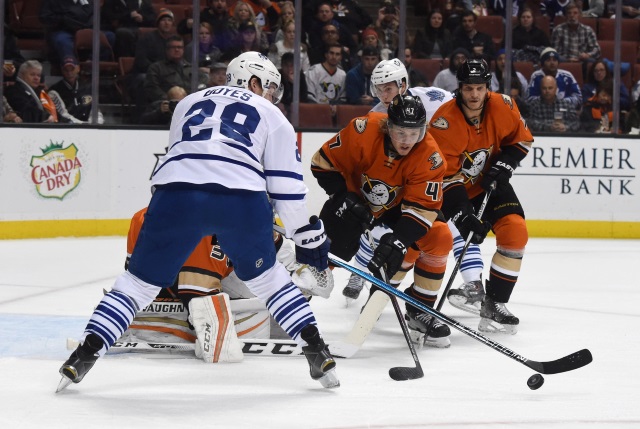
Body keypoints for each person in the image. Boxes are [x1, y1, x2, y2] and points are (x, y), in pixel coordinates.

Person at [57, 51, 339, 392]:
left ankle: (84, 357)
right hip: (241, 200)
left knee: (136, 284)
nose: (272, 96)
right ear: (253, 82)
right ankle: (316, 352)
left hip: (176, 196)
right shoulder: (272, 115)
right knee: (270, 281)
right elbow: (287, 189)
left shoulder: (187, 103)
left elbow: (186, 159)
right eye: (270, 87)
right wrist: (308, 238)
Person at [341, 58, 485, 318]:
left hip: (439, 176)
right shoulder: (375, 117)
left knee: (458, 225)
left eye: (389, 87)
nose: (384, 95)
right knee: (384, 233)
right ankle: (361, 275)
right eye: (378, 89)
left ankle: (473, 282)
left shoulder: (433, 98)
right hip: (400, 186)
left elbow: (464, 118)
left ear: (404, 84)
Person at [311, 93, 453, 347]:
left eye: (414, 133)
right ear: (388, 126)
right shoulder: (362, 130)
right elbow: (322, 164)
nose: (407, 141)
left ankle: (420, 309)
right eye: (400, 132)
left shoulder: (430, 157)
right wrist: (343, 197)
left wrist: (398, 241)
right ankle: (288, 310)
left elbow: (421, 209)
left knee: (440, 236)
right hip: (353, 199)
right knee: (322, 258)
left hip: (397, 207)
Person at [428, 59, 534, 334]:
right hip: (455, 190)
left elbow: (520, 140)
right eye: (468, 89)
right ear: (459, 89)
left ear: (488, 87)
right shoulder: (443, 122)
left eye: (479, 88)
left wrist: (505, 164)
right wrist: (463, 214)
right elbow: (443, 176)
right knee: (439, 239)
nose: (474, 95)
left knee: (516, 231)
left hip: (491, 183)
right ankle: (416, 302)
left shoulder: (503, 105)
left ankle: (494, 304)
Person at [39, 0, 115, 67]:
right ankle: (71, 68)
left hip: (86, 31)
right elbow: (44, 17)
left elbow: (94, 18)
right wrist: (64, 19)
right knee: (62, 40)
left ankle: (91, 64)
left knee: (109, 36)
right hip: (65, 31)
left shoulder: (89, 1)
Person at [143, 36, 209, 107]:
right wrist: (171, 100)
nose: (177, 50)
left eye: (180, 47)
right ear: (167, 50)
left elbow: (202, 84)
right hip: (167, 105)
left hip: (191, 104)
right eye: (173, 47)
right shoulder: (156, 68)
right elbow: (152, 89)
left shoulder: (192, 68)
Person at [49, 57, 104, 124]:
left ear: (78, 69)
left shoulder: (87, 88)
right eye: (66, 70)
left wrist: (96, 123)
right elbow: (63, 115)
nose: (69, 73)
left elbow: (96, 111)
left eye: (72, 69)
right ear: (62, 70)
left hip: (88, 129)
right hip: (67, 129)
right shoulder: (55, 90)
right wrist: (82, 124)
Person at [551, 2, 600, 75]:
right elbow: (554, 51)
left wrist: (588, 55)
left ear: (580, 15)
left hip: (583, 61)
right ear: (566, 16)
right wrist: (568, 59)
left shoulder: (588, 30)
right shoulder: (558, 30)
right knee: (555, 59)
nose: (572, 16)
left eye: (575, 13)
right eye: (569, 13)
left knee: (593, 61)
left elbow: (597, 49)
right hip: (564, 61)